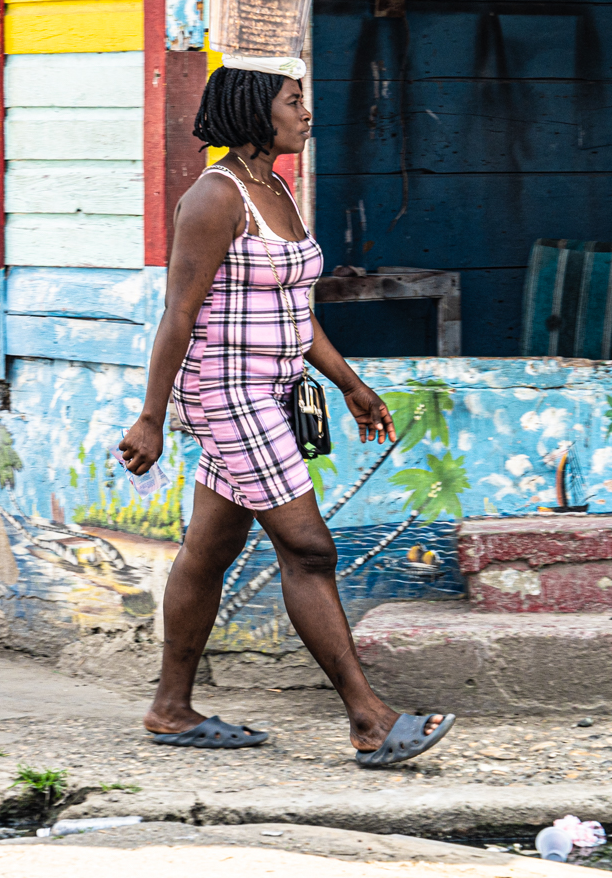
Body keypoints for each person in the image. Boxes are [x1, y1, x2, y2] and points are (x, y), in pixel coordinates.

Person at [118, 65, 453, 767]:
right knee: (309, 549)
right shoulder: (215, 196)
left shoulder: (275, 188)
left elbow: (294, 312)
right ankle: (369, 719)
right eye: (293, 101)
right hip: (227, 393)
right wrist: (151, 416)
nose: (306, 113)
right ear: (253, 111)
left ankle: (170, 708)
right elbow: (178, 314)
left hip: (270, 392)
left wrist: (351, 384)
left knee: (209, 550)